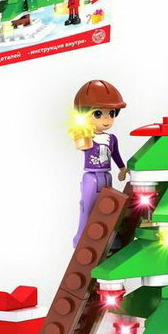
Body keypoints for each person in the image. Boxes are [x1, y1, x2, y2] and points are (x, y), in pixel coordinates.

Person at [69, 80, 128, 247]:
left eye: (112, 113)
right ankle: (81, 237)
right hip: (91, 177)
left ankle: (108, 237)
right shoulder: (87, 135)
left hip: (107, 176)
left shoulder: (111, 138)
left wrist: (122, 168)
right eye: (98, 114)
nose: (107, 119)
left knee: (109, 208)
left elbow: (115, 154)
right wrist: (82, 132)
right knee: (87, 207)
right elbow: (82, 145)